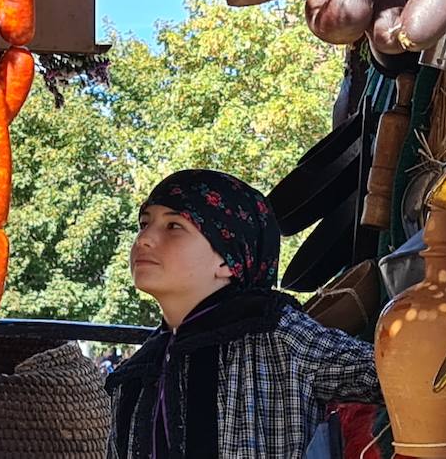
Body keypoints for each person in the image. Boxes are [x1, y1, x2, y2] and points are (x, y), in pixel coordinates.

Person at [106, 169, 381, 458]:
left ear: (229, 260)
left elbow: (395, 377)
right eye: (144, 223)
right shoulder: (133, 375)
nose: (144, 238)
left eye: (174, 226)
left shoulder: (279, 336)